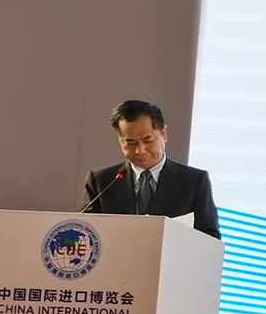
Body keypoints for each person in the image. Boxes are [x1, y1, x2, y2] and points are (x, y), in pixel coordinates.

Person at [81, 100, 221, 239]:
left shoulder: (194, 181)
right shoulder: (101, 182)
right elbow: (83, 233)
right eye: (130, 143)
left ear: (163, 134)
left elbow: (211, 237)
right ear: (120, 140)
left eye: (147, 140)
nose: (140, 150)